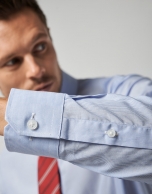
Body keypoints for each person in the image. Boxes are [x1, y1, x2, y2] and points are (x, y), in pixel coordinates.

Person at [0, 0, 152, 193]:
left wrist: (15, 114)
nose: (36, 70)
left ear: (50, 37)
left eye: (39, 47)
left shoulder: (130, 92)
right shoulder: (5, 166)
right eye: (13, 61)